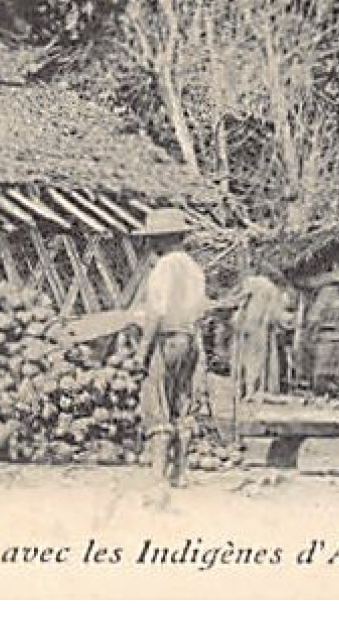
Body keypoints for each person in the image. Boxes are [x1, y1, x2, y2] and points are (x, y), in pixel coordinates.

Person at [130, 207, 207, 488]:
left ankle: (157, 475)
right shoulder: (194, 269)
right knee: (183, 403)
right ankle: (181, 472)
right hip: (190, 338)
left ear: (162, 239)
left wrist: (142, 350)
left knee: (158, 400)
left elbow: (156, 311)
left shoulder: (163, 267)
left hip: (167, 339)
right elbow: (200, 310)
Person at [231, 261, 297, 402]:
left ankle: (242, 389)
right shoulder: (272, 288)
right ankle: (253, 390)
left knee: (243, 357)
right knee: (257, 358)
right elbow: (274, 312)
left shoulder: (251, 282)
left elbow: (241, 301)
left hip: (247, 323)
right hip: (260, 325)